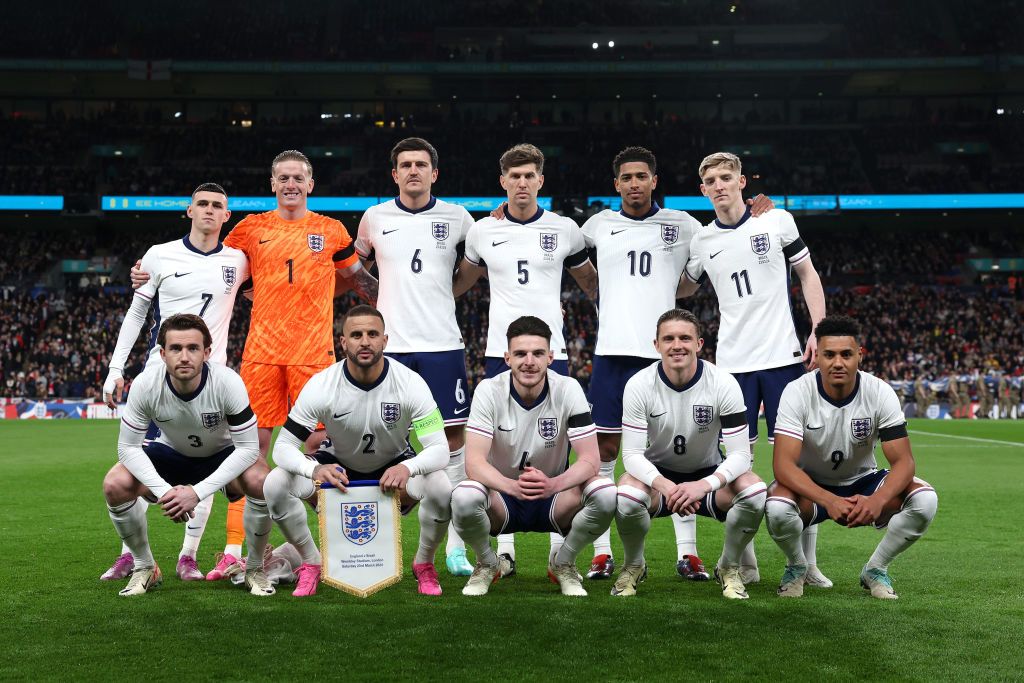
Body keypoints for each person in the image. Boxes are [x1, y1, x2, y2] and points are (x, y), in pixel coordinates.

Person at [130, 152, 379, 580]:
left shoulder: (331, 229)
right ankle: (234, 552)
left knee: (322, 451)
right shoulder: (250, 228)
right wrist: (146, 274)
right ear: (272, 184)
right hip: (261, 355)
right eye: (283, 178)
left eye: (298, 178)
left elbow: (358, 278)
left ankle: (334, 551)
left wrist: (396, 300)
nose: (291, 185)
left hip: (314, 356)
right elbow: (214, 265)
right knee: (250, 456)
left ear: (311, 184)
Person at [582, 146, 773, 581]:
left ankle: (687, 553)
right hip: (612, 351)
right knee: (607, 450)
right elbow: (553, 241)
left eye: (641, 176)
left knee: (685, 445)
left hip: (664, 353)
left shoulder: (685, 225)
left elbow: (698, 272)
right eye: (626, 177)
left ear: (655, 180)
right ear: (616, 185)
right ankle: (602, 551)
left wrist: (760, 207)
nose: (634, 183)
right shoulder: (596, 226)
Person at [683, 151, 830, 588]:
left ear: (742, 181)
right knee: (736, 467)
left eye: (727, 176)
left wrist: (817, 332)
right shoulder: (701, 242)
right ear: (703, 189)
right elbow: (681, 288)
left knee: (802, 465)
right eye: (711, 179)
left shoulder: (776, 221)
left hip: (784, 359)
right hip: (732, 367)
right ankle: (744, 564)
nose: (720, 184)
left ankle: (808, 563)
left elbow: (808, 275)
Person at [452, 143, 598, 574]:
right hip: (500, 351)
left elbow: (591, 281)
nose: (521, 183)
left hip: (554, 353)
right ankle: (507, 547)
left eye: (529, 175)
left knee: (559, 448)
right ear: (502, 182)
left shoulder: (566, 229)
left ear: (540, 180)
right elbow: (460, 282)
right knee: (499, 449)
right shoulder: (481, 231)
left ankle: (558, 545)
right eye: (513, 176)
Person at [100, 183, 250, 583]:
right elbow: (136, 315)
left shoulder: (239, 260)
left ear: (226, 216)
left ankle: (188, 556)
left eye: (217, 205)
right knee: (139, 469)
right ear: (189, 211)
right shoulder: (159, 255)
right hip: (157, 381)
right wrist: (117, 368)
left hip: (211, 386)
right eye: (202, 203)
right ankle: (133, 556)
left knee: (199, 469)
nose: (209, 210)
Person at [262, 306, 453, 597]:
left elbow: (440, 449)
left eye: (372, 334)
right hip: (337, 473)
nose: (365, 341)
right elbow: (283, 448)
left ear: (385, 341)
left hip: (395, 471)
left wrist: (408, 468)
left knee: (440, 483)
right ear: (343, 342)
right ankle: (312, 563)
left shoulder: (410, 383)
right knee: (276, 482)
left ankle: (424, 563)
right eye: (356, 335)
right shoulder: (322, 385)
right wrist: (314, 469)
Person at [354, 137, 476, 577]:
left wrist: (446, 292)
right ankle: (375, 545)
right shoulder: (374, 217)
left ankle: (456, 547)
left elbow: (474, 267)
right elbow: (356, 268)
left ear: (434, 173)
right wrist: (379, 296)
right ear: (395, 174)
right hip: (393, 346)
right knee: (381, 437)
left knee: (453, 438)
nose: (413, 171)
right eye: (405, 165)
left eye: (421, 165)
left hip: (443, 343)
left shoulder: (459, 217)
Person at [765, 315, 938, 599]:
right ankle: (798, 566)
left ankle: (875, 569)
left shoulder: (879, 391)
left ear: (860, 355)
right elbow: (783, 466)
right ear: (817, 356)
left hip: (863, 481)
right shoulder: (797, 392)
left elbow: (904, 462)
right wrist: (829, 500)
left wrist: (878, 500)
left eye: (846, 354)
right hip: (811, 486)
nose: (837, 363)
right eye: (829, 355)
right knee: (777, 507)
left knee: (925, 500)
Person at [101, 314, 273, 597]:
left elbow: (248, 449)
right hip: (172, 454)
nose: (184, 356)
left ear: (206, 352)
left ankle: (254, 568)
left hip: (221, 454)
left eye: (193, 348)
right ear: (162, 353)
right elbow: (127, 448)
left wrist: (197, 493)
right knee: (115, 483)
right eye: (176, 349)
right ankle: (145, 566)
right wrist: (164, 491)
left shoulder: (228, 383)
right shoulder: (146, 384)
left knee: (261, 479)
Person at [450, 316, 616, 597]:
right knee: (463, 496)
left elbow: (591, 460)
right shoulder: (489, 391)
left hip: (554, 497)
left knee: (606, 492)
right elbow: (474, 463)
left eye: (538, 353)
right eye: (520, 353)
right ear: (507, 357)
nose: (529, 361)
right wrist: (512, 486)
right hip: (503, 498)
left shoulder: (568, 389)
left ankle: (563, 562)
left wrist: (553, 484)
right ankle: (488, 563)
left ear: (550, 357)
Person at [612, 309, 766, 599]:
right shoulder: (639, 384)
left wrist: (703, 485)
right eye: (668, 338)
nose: (676, 345)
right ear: (656, 345)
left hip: (707, 479)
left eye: (685, 337)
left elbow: (741, 455)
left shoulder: (723, 383)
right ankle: (634, 565)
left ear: (699, 344)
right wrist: (667, 486)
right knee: (627, 494)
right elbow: (631, 455)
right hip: (658, 480)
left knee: (755, 490)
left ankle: (729, 566)